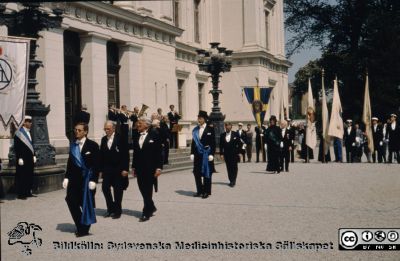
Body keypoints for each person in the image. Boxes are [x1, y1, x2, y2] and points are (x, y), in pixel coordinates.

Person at [63, 122, 99, 237]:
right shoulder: (73, 145)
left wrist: (94, 179)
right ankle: (80, 226)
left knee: (86, 204)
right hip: (74, 179)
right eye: (75, 130)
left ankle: (84, 229)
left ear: (85, 132)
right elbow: (70, 163)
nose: (76, 132)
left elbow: (96, 164)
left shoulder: (93, 145)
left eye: (79, 130)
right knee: (70, 200)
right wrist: (66, 177)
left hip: (87, 180)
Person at [131, 117, 162, 222]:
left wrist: (158, 168)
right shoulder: (136, 135)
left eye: (140, 123)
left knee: (148, 190)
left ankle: (146, 212)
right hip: (139, 168)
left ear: (147, 125)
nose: (138, 125)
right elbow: (135, 153)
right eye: (138, 123)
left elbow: (158, 153)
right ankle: (151, 206)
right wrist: (133, 167)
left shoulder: (155, 135)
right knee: (142, 189)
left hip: (150, 168)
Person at [99, 121, 129, 219]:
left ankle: (118, 210)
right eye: (105, 129)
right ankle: (110, 208)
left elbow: (125, 155)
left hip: (118, 169)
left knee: (118, 191)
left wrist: (125, 169)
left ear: (113, 129)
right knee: (105, 188)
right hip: (107, 169)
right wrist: (100, 169)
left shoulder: (121, 138)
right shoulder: (103, 139)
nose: (106, 131)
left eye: (108, 129)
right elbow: (101, 155)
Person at [190, 111, 215, 198]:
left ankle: (206, 192)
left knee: (206, 173)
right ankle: (199, 191)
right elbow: (194, 142)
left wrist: (212, 154)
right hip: (197, 154)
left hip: (206, 155)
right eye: (198, 118)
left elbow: (213, 143)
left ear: (205, 119)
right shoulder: (195, 129)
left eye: (200, 118)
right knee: (196, 173)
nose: (199, 119)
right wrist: (192, 153)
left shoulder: (210, 129)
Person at [14, 116, 36, 199]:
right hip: (22, 158)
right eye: (28, 121)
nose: (30, 123)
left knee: (29, 175)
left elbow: (32, 145)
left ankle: (27, 192)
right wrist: (19, 157)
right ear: (24, 122)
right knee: (22, 176)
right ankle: (21, 194)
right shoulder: (19, 133)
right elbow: (17, 147)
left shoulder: (29, 132)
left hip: (29, 158)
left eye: (30, 121)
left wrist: (34, 155)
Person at [220, 123, 241, 187]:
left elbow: (239, 144)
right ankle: (230, 179)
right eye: (226, 126)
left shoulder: (235, 134)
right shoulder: (222, 135)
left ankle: (233, 180)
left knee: (234, 167)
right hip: (226, 154)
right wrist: (221, 154)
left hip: (234, 154)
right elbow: (221, 146)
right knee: (228, 167)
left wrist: (239, 152)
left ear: (231, 127)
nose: (228, 127)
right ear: (225, 127)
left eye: (229, 126)